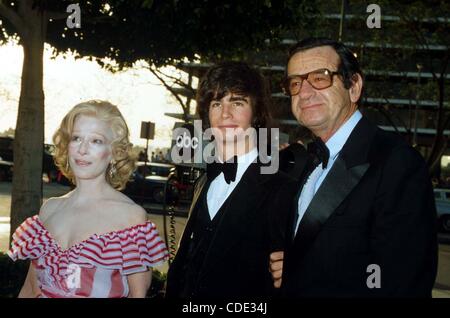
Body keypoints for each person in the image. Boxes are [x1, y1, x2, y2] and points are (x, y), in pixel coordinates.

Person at [269, 38, 438, 297]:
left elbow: (401, 285)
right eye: (295, 83)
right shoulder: (308, 161)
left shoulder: (397, 163)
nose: (303, 92)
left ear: (354, 87)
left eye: (320, 77)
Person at [8, 100, 168, 298]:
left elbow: (138, 295)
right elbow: (30, 289)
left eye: (96, 141)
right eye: (76, 138)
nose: (82, 149)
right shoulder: (49, 209)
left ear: (114, 153)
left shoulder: (131, 218)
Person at [165, 62, 295, 299]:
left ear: (256, 112)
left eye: (237, 102)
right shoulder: (203, 182)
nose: (225, 114)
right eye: (216, 103)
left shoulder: (283, 189)